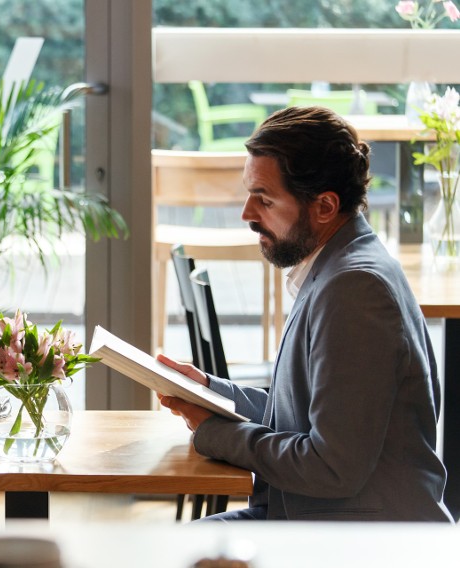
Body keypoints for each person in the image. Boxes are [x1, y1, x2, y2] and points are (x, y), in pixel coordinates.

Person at [158, 106, 452, 522]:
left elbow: (331, 468)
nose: (247, 213)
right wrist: (211, 391)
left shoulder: (355, 291)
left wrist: (215, 435)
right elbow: (304, 418)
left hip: (364, 538)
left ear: (325, 206)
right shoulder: (339, 266)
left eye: (264, 198)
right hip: (322, 518)